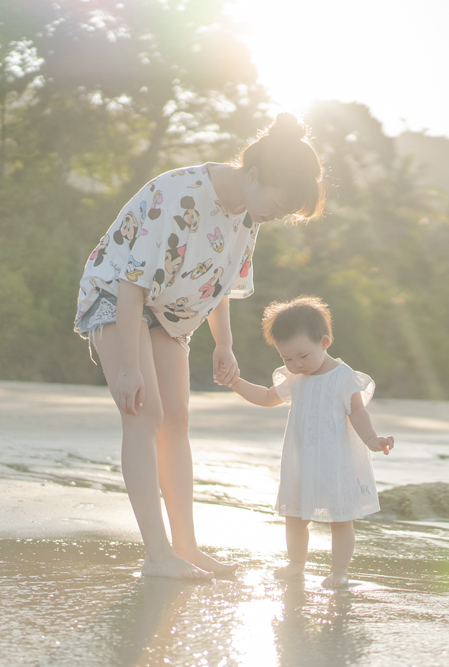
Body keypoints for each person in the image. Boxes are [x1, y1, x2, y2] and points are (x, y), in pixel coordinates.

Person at [74, 114, 325, 579]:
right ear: (252, 175)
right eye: (279, 201)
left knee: (178, 420)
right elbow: (132, 286)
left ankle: (184, 546)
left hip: (170, 311)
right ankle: (156, 554)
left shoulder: (250, 214)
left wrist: (224, 343)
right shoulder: (181, 193)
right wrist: (129, 366)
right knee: (144, 414)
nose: (278, 214)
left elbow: (220, 284)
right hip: (117, 296)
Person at [226, 296, 394, 588]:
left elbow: (358, 411)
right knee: (295, 516)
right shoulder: (294, 378)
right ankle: (296, 564)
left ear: (324, 342)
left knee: (340, 519)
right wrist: (236, 383)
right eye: (287, 359)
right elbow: (267, 397)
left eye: (302, 356)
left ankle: (339, 570)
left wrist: (371, 439)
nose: (296, 364)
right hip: (301, 461)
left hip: (335, 462)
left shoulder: (344, 378)